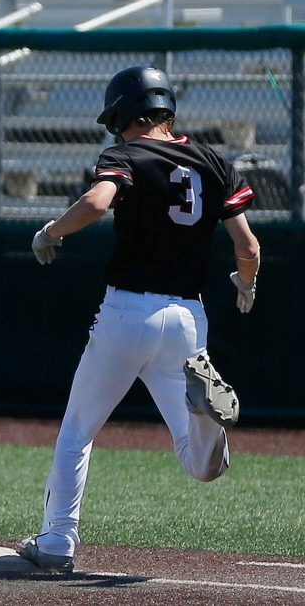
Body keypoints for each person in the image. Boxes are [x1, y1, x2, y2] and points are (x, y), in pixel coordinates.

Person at [19, 65, 260, 573]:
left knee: (77, 432)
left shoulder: (126, 154)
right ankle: (208, 424)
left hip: (129, 310)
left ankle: (58, 542)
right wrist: (246, 281)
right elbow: (248, 246)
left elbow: (95, 202)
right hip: (190, 316)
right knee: (196, 464)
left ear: (127, 114)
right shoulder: (213, 160)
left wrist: (50, 232)